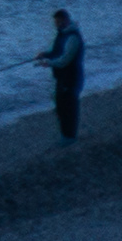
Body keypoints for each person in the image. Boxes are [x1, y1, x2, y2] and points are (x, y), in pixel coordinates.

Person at [38, 7, 88, 141]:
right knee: (60, 106)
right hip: (62, 77)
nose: (58, 25)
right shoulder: (62, 34)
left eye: (60, 22)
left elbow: (65, 60)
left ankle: (69, 137)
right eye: (56, 23)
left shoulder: (73, 37)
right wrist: (45, 55)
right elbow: (56, 52)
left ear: (66, 20)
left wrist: (49, 62)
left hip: (71, 78)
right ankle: (65, 136)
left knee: (68, 107)